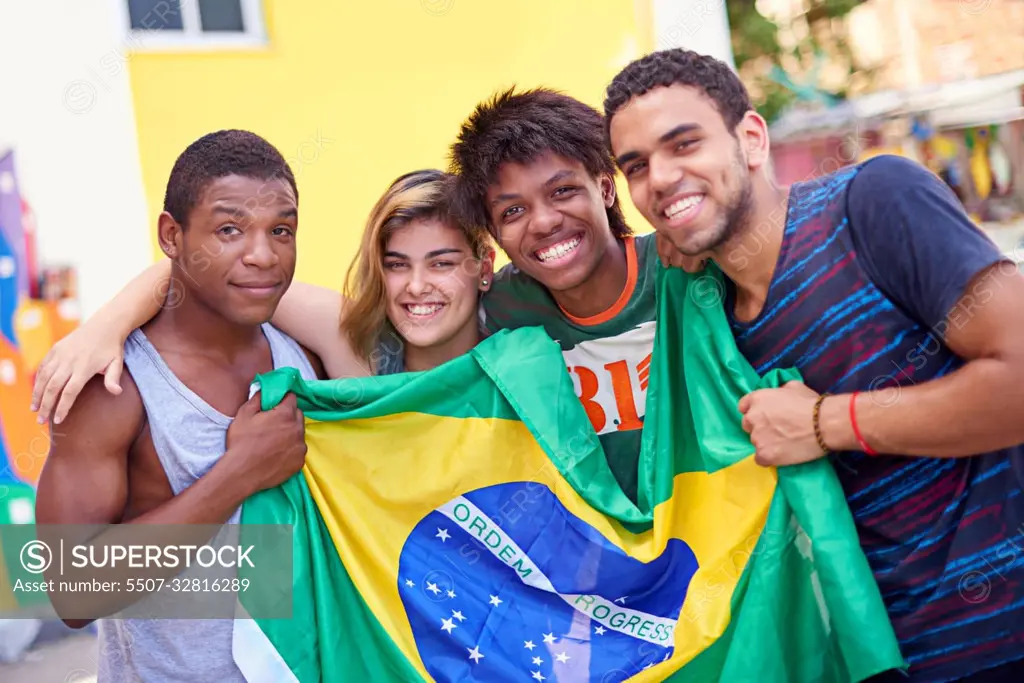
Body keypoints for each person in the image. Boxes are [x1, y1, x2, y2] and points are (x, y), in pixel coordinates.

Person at [603, 48, 1024, 683]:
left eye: (683, 144)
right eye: (637, 167)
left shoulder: (874, 201)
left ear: (750, 138)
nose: (659, 179)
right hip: (866, 656)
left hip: (1001, 636)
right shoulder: (705, 315)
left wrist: (830, 422)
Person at [34, 89, 660, 504]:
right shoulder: (359, 349)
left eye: (442, 263)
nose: (419, 287)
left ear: (482, 267)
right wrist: (104, 326)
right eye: (397, 266)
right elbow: (231, 277)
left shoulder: (519, 329)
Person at [34, 129, 325, 682]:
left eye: (281, 230)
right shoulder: (112, 384)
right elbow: (69, 591)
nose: (263, 255)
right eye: (229, 229)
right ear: (172, 235)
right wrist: (237, 474)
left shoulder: (307, 351)